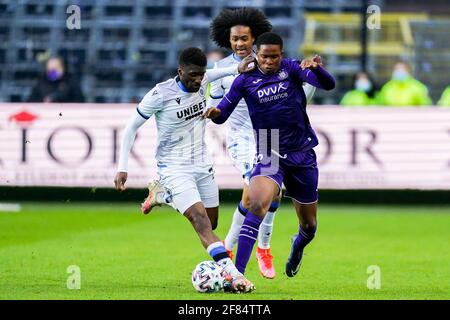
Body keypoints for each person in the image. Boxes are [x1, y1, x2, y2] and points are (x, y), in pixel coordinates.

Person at [114, 47, 256, 293]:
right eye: (192, 75)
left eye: (200, 75)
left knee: (211, 222)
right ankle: (234, 276)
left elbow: (217, 72)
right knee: (200, 221)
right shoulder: (160, 94)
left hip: (202, 163)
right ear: (180, 71)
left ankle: (164, 196)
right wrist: (122, 167)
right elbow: (130, 128)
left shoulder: (203, 80)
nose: (197, 80)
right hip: (173, 167)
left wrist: (238, 68)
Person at [203, 32, 335, 278]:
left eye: (274, 57)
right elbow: (222, 114)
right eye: (264, 56)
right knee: (256, 204)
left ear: (281, 55)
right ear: (257, 54)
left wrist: (317, 70)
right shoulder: (245, 80)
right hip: (269, 145)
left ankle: (298, 246)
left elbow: (329, 85)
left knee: (309, 226)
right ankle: (237, 275)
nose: (269, 62)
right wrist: (213, 113)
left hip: (301, 150)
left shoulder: (292, 68)